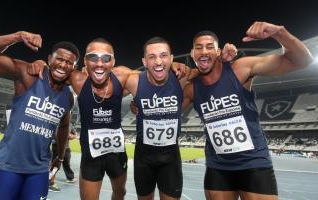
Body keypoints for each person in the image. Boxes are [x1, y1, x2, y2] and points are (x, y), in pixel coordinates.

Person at [28, 38, 188, 200]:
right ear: (85, 61)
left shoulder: (124, 76)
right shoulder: (77, 79)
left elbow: (154, 74)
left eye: (105, 58)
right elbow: (57, 69)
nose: (99, 63)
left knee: (120, 193)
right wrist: (42, 63)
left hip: (116, 154)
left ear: (113, 62)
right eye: (92, 57)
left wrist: (172, 66)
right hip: (91, 156)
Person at [182, 21, 313, 200]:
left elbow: (302, 60)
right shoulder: (191, 89)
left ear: (218, 52)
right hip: (218, 167)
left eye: (209, 47)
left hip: (254, 163)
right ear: (192, 53)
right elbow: (162, 112)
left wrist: (279, 33)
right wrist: (176, 69)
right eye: (198, 48)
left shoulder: (240, 69)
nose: (204, 51)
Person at [123, 37, 236, 200]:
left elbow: (206, 68)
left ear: (171, 58)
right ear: (144, 61)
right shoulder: (135, 81)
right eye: (152, 57)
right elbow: (110, 83)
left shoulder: (182, 77)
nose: (158, 61)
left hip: (170, 158)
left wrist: (221, 58)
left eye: (163, 56)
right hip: (143, 157)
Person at [0, 31, 78, 200]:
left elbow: (64, 125)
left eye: (69, 62)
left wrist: (60, 157)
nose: (63, 65)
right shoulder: (28, 75)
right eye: (59, 59)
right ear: (49, 59)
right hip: (8, 167)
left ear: (74, 68)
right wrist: (18, 36)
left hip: (39, 172)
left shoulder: (68, 97)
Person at [49, 123, 78, 192]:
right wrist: (66, 135)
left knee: (66, 163)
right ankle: (50, 183)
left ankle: (70, 178)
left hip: (66, 147)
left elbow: (74, 134)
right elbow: (54, 134)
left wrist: (72, 136)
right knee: (56, 165)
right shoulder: (56, 122)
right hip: (57, 146)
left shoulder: (69, 124)